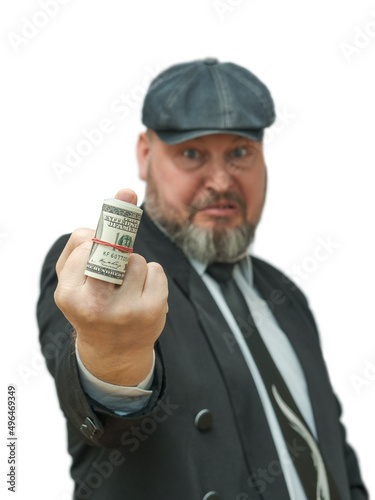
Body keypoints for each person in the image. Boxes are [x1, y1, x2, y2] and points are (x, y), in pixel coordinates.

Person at [37, 58, 368, 500]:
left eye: (240, 153)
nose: (220, 180)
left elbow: (336, 456)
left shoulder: (288, 297)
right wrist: (112, 352)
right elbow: (102, 420)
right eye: (192, 153)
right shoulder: (105, 275)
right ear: (145, 153)